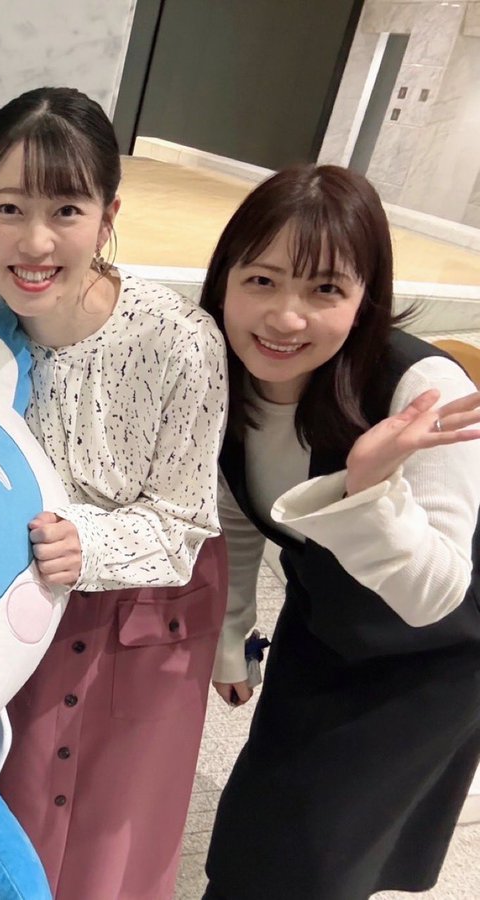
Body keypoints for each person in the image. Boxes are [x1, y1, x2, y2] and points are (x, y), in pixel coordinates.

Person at [0, 86, 229, 899]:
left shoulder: (179, 341)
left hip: (143, 621)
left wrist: (89, 543)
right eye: (9, 208)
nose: (35, 241)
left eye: (66, 210)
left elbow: (183, 522)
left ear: (108, 218)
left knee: (111, 844)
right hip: (12, 611)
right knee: (2, 818)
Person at [199, 165, 480, 900]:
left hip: (433, 657)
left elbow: (435, 596)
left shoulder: (420, 393)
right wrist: (232, 636)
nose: (285, 318)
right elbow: (237, 510)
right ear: (224, 281)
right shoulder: (222, 370)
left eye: (324, 290)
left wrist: (369, 488)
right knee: (254, 828)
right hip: (324, 624)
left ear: (365, 301)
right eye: (262, 280)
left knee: (322, 854)